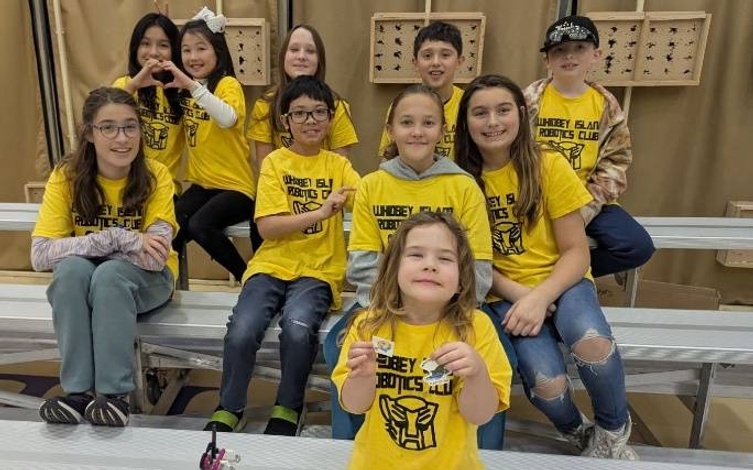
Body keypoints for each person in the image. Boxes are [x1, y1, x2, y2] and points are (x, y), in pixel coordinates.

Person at [455, 73, 638, 459]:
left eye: (503, 110)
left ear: (522, 114)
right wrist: (521, 296)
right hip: (502, 293)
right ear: (465, 123)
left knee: (593, 345)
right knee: (547, 385)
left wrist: (541, 296)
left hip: (563, 281)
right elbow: (469, 261)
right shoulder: (460, 181)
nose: (492, 122)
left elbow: (576, 251)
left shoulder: (549, 165)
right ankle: (580, 433)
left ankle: (612, 430)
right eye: (480, 113)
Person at [324, 84, 510, 449]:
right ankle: (352, 446)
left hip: (455, 308)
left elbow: (480, 268)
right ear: (390, 130)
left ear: (442, 131)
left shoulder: (464, 187)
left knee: (497, 363)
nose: (417, 131)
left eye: (428, 123)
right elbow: (362, 265)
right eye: (407, 122)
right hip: (383, 307)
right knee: (339, 349)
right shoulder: (372, 185)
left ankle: (478, 452)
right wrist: (399, 306)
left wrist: (444, 306)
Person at [204, 76, 360, 436]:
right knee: (242, 330)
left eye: (319, 112)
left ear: (330, 119)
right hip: (271, 265)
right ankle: (230, 406)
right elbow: (268, 228)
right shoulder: (275, 162)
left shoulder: (338, 167)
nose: (310, 121)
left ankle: (288, 407)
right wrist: (321, 213)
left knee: (297, 328)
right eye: (300, 113)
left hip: (318, 272)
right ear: (286, 121)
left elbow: (370, 196)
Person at [31, 87, 177, 427]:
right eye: (108, 127)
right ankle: (77, 393)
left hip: (147, 281)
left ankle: (114, 395)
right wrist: (120, 238)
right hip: (88, 276)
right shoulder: (67, 175)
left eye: (130, 127)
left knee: (107, 276)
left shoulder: (156, 175)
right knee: (70, 273)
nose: (121, 138)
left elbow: (155, 257)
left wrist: (97, 248)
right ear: (89, 133)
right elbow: (40, 254)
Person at [332, 211, 511, 469]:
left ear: (462, 280)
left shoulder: (476, 327)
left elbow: (480, 415)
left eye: (445, 258)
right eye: (416, 254)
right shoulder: (368, 326)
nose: (430, 265)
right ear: (393, 269)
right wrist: (363, 377)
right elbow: (354, 406)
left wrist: (477, 374)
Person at [524, 15, 654, 278]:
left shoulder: (606, 105)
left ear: (596, 55)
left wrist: (583, 211)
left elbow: (615, 163)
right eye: (559, 50)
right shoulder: (528, 100)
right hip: (536, 198)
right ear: (547, 60)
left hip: (588, 201)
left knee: (637, 247)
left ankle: (564, 273)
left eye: (579, 49)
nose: (569, 57)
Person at [157, 7, 261, 281]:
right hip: (203, 186)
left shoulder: (226, 84)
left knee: (200, 226)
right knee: (173, 223)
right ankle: (166, 282)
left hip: (236, 189)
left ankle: (247, 276)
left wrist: (192, 87)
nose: (193, 57)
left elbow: (228, 118)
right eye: (186, 50)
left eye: (201, 48)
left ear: (217, 50)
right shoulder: (186, 88)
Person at [247, 24, 358, 167]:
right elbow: (265, 169)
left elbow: (341, 170)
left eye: (310, 51)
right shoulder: (265, 106)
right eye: (294, 50)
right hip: (278, 186)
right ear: (283, 57)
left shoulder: (338, 107)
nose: (301, 56)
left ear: (320, 60)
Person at [113, 12, 185, 195]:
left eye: (163, 45)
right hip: (125, 188)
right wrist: (134, 84)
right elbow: (104, 117)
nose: (153, 52)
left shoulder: (182, 90)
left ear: (175, 51)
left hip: (165, 190)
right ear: (135, 48)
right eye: (145, 44)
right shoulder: (124, 85)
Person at [378, 21, 465, 161]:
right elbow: (388, 157)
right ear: (415, 62)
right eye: (427, 55)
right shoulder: (402, 105)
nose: (436, 62)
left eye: (445, 55)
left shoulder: (468, 104)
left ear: (459, 61)